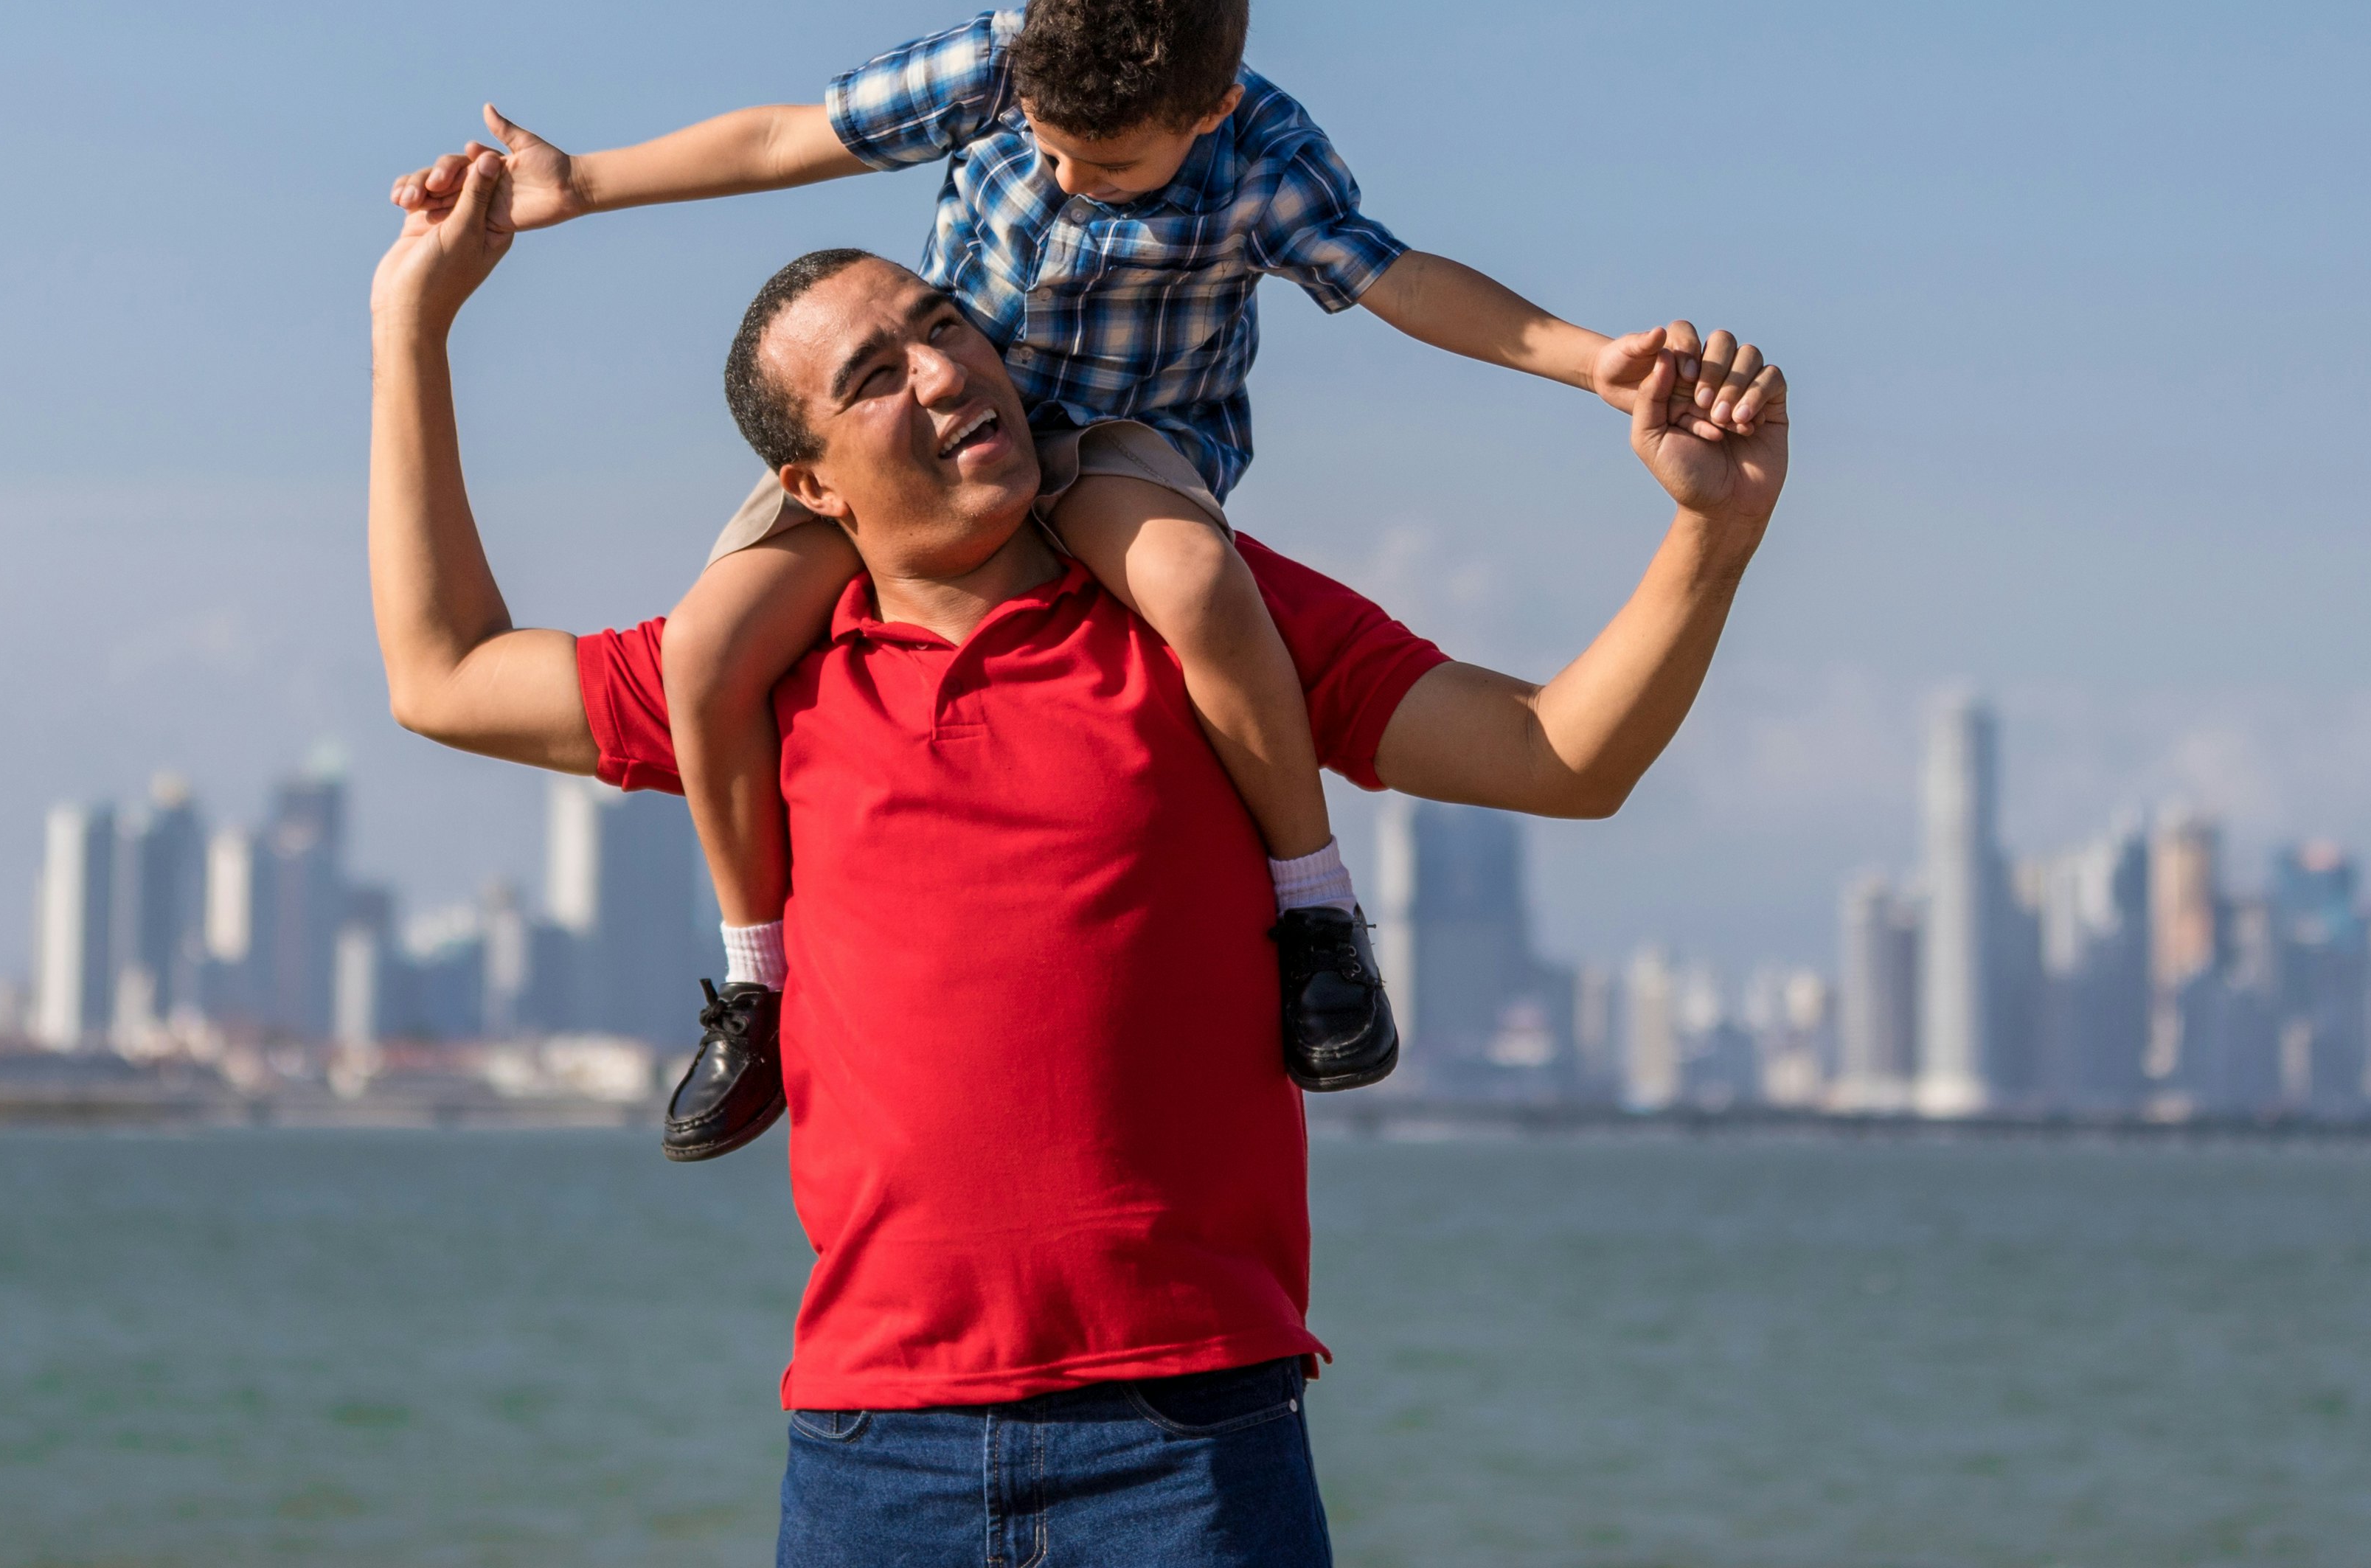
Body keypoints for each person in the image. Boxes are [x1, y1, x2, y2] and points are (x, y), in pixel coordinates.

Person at [365, 149, 1790, 1568]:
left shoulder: (1203, 614)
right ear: (809, 485)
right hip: (876, 1448)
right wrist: (412, 326)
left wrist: (1711, 532)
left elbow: (1560, 756)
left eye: (942, 325)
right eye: (873, 375)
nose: (937, 370)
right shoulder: (768, 678)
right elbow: (443, 673)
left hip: (1188, 1443)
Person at [390, 0, 1693, 1153]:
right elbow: (791, 137)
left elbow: (1403, 280)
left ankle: (1316, 912)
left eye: (1109, 166)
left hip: (1126, 443)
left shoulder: (1269, 164)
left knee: (1190, 581)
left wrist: (1598, 366)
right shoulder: (1001, 66)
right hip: (961, 412)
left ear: (1211, 110)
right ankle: (752, 984)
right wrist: (587, 180)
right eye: (1051, 146)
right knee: (706, 646)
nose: (1067, 177)